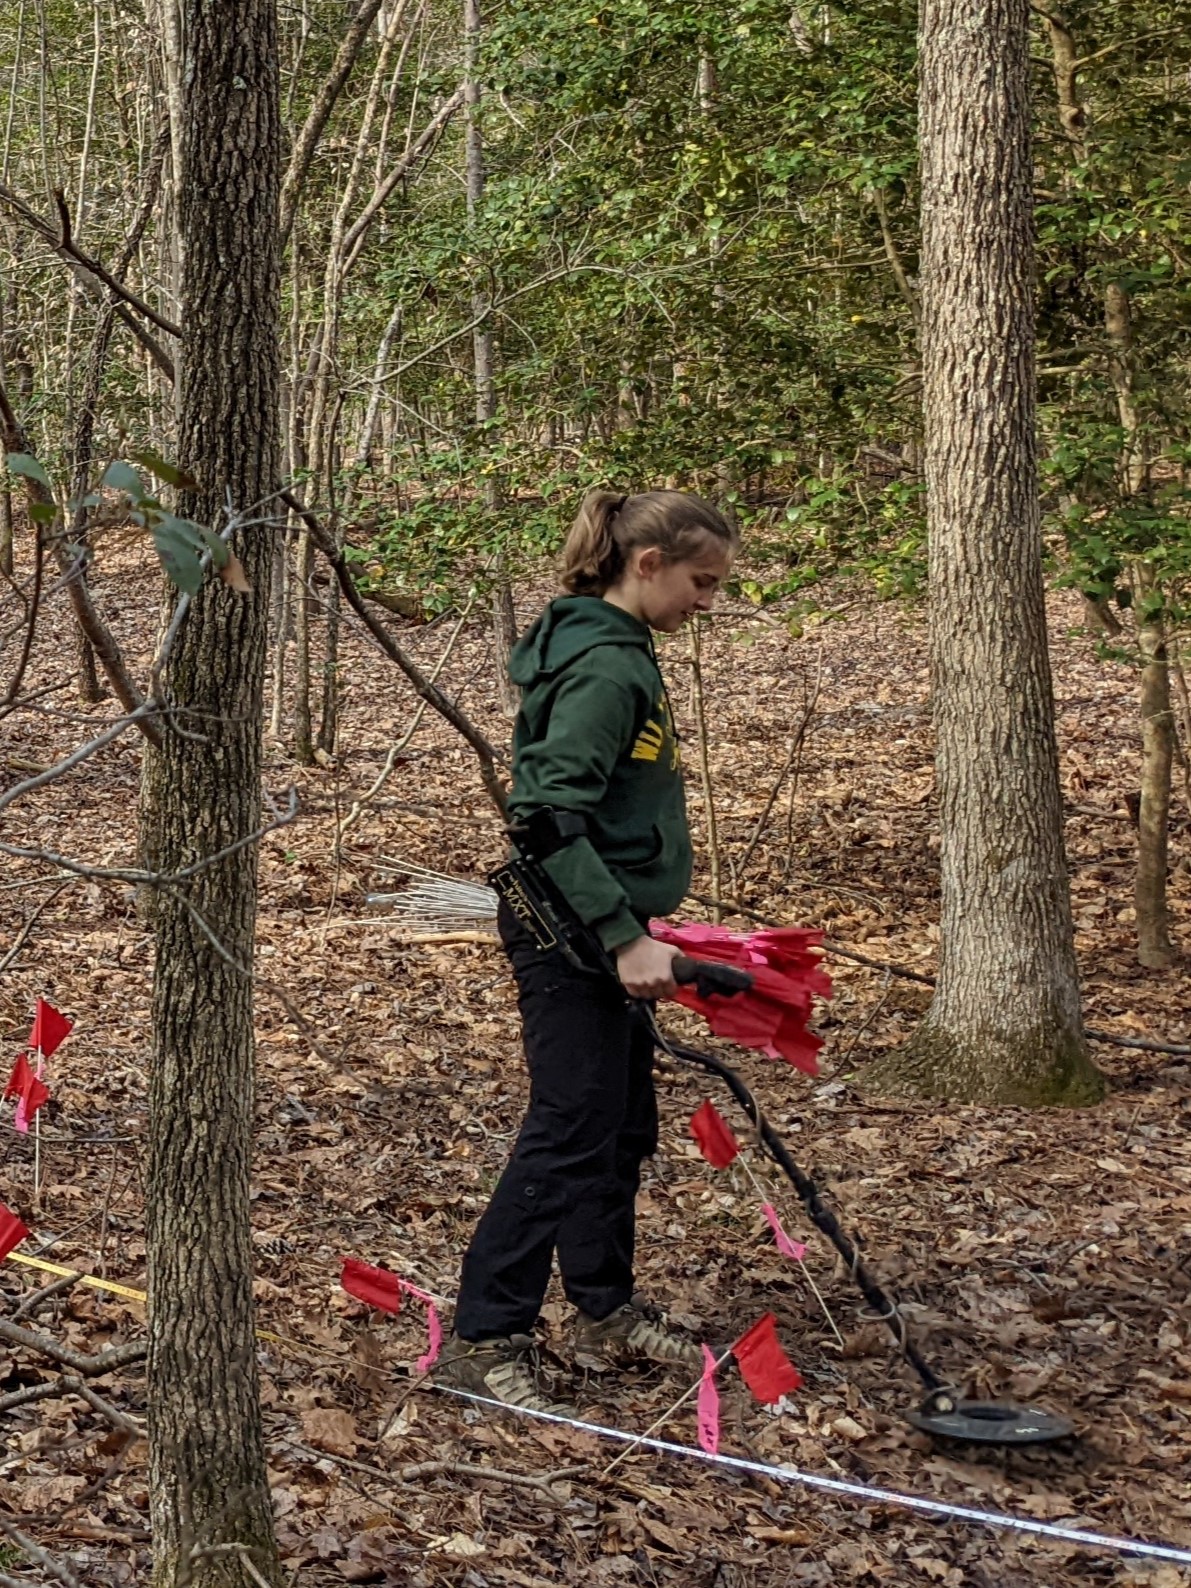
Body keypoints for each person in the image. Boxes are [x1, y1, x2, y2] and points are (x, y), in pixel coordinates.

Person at [435, 488, 739, 1412]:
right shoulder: (605, 669)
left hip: (608, 930)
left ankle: (601, 1307)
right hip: (569, 933)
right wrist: (616, 935)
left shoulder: (621, 653)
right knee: (569, 1130)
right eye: (701, 581)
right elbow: (545, 812)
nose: (707, 601)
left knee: (617, 1129)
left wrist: (638, 930)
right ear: (645, 564)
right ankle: (484, 1339)